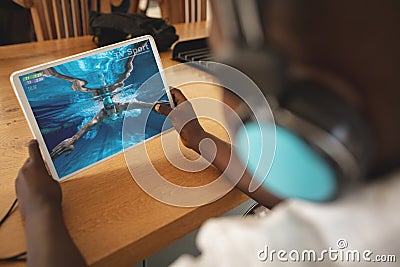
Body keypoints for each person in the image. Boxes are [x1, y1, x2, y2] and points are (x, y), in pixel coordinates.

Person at [15, 0, 400, 266]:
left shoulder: (281, 253)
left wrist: (41, 211)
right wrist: (199, 139)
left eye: (222, 68)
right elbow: (298, 198)